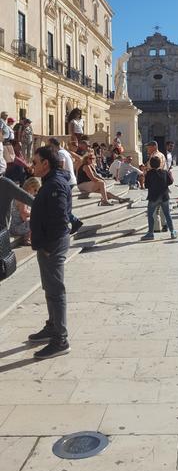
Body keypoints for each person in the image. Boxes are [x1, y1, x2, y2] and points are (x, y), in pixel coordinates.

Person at [29, 145, 72, 359]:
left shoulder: (55, 184)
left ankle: (60, 339)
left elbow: (59, 218)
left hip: (52, 245)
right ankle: (52, 326)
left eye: (35, 162)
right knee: (50, 289)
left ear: (46, 164)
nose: (32, 166)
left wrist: (47, 246)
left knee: (56, 291)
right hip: (47, 245)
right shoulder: (50, 181)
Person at [48, 138, 83, 236]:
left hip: (66, 181)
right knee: (64, 205)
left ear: (53, 145)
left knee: (61, 205)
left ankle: (73, 222)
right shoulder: (65, 152)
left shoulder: (60, 153)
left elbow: (61, 166)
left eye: (49, 145)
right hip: (70, 180)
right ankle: (73, 222)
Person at [141, 155, 178, 241]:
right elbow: (170, 182)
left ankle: (150, 233)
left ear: (150, 164)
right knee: (167, 214)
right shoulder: (165, 172)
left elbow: (146, 185)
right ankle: (172, 232)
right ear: (160, 164)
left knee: (150, 215)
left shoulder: (149, 173)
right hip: (164, 196)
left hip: (153, 197)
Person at [10, 176, 41, 245]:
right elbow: (24, 215)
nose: (36, 193)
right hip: (15, 227)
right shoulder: (22, 196)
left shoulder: (24, 194)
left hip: (19, 224)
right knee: (37, 219)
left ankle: (28, 238)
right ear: (30, 187)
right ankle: (28, 239)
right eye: (35, 190)